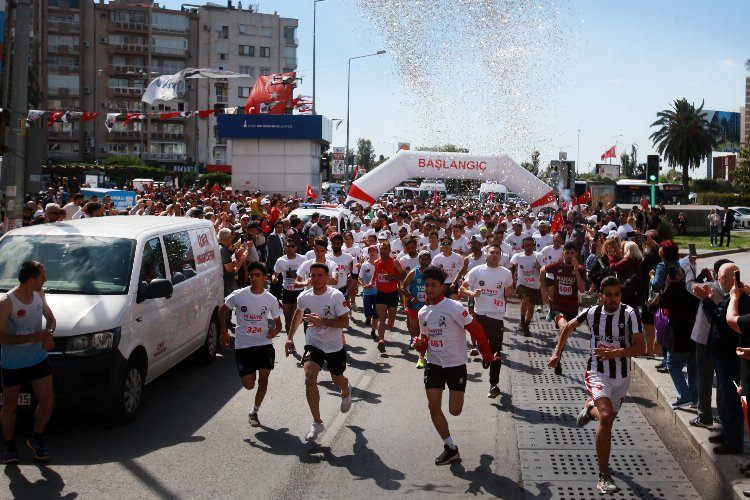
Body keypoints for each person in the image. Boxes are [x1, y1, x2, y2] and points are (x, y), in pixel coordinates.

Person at [548, 276, 645, 494]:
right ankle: (604, 475)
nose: (614, 299)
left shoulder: (629, 314)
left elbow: (640, 348)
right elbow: (569, 327)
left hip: (622, 375)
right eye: (609, 295)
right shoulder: (592, 312)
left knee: (606, 419)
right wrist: (557, 354)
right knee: (607, 416)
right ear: (600, 296)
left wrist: (617, 353)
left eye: (617, 295)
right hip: (597, 372)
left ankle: (588, 409)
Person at [411, 266, 498, 465]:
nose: (429, 289)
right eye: (426, 285)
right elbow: (425, 339)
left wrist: (487, 355)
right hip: (434, 365)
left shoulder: (454, 308)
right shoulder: (423, 311)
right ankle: (450, 447)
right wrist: (420, 345)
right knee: (433, 407)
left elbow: (476, 330)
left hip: (456, 365)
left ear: (442, 286)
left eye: (434, 285)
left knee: (455, 411)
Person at [287, 263, 352, 443]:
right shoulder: (304, 296)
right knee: (309, 378)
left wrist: (322, 321)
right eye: (313, 275)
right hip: (313, 343)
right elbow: (298, 315)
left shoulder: (336, 296)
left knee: (337, 379)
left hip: (334, 345)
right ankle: (317, 423)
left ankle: (345, 389)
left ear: (327, 277)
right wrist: (290, 338)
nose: (315, 279)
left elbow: (345, 322)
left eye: (319, 275)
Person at [0, 261, 56, 463]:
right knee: (9, 407)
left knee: (48, 401)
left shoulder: (40, 295)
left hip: (38, 359)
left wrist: (49, 333)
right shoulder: (7, 302)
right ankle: (10, 447)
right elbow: (1, 337)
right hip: (12, 363)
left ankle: (37, 438)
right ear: (31, 280)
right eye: (42, 277)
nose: (45, 280)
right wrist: (31, 337)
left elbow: (51, 319)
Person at [219, 262, 282, 427]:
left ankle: (254, 412)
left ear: (264, 277)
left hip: (264, 344)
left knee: (263, 381)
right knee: (249, 385)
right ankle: (250, 377)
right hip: (243, 345)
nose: (253, 278)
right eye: (251, 275)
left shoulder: (270, 299)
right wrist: (224, 332)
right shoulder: (239, 295)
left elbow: (279, 324)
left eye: (257, 275)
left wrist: (274, 332)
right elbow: (222, 309)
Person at [694, 262, 746, 454]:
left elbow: (718, 319)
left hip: (730, 356)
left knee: (731, 400)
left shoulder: (736, 298)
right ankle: (727, 433)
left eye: (720, 277)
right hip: (724, 354)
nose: (719, 280)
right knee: (724, 397)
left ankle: (734, 442)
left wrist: (707, 299)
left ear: (725, 279)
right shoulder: (732, 295)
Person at [460, 244, 514, 398]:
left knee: (497, 351)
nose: (495, 255)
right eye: (492, 252)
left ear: (501, 256)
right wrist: (473, 293)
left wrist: (508, 292)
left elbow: (509, 290)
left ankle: (493, 384)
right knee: (486, 349)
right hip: (480, 315)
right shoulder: (477, 270)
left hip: (497, 316)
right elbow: (462, 289)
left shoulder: (506, 273)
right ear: (486, 254)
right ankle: (485, 355)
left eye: (498, 253)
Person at [540, 242, 586, 375]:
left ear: (576, 254)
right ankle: (556, 355)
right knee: (564, 327)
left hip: (572, 307)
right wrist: (543, 292)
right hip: (557, 306)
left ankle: (557, 357)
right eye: (567, 253)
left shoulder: (581, 269)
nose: (570, 256)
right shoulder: (556, 266)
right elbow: (542, 270)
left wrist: (576, 271)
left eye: (572, 253)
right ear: (563, 253)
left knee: (566, 332)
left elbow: (582, 290)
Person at [658, 267, 699, 408]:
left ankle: (684, 396)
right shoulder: (693, 286)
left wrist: (668, 285)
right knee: (693, 369)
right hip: (695, 335)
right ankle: (695, 399)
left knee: (673, 365)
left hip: (679, 335)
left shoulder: (674, 287)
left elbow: (661, 302)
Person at [369, 240, 404, 355]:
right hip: (380, 294)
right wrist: (371, 282)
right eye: (382, 248)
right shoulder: (377, 262)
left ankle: (392, 321)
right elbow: (375, 274)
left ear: (389, 250)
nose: (383, 250)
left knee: (391, 319)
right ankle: (381, 340)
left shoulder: (394, 262)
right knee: (381, 318)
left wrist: (394, 278)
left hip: (392, 294)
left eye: (385, 248)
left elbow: (403, 274)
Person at [402, 251, 433, 369]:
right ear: (419, 260)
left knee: (427, 331)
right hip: (414, 306)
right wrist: (411, 298)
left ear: (429, 261)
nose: (424, 261)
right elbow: (403, 287)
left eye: (426, 259)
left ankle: (422, 356)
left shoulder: (432, 273)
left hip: (428, 307)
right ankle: (418, 348)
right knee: (415, 332)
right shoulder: (413, 273)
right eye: (422, 259)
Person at [510, 236, 544, 336]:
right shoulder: (517, 256)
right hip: (522, 284)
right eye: (526, 245)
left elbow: (543, 271)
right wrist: (511, 282)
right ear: (523, 246)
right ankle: (522, 322)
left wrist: (539, 269)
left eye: (531, 245)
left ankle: (527, 324)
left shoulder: (539, 256)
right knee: (525, 300)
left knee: (531, 306)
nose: (529, 247)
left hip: (535, 285)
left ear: (534, 246)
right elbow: (511, 267)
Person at [273, 240, 307, 335]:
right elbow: (275, 274)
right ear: (284, 247)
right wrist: (274, 278)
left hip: (299, 291)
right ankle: (289, 337)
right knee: (287, 320)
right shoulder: (280, 260)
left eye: (292, 246)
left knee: (293, 319)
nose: (290, 248)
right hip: (286, 292)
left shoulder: (303, 259)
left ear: (296, 248)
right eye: (288, 246)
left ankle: (290, 338)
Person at [359, 246, 380, 337]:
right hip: (367, 292)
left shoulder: (380, 264)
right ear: (368, 253)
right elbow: (359, 278)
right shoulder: (365, 265)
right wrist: (363, 285)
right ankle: (368, 317)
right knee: (368, 312)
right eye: (370, 251)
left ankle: (373, 331)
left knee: (376, 313)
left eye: (374, 251)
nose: (372, 253)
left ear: (377, 252)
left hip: (378, 293)